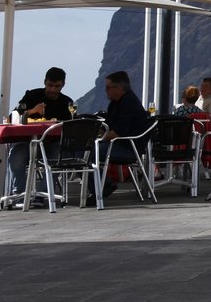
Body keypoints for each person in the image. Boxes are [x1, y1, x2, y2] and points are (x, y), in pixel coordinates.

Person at [8, 67, 74, 200]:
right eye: (50, 85)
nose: (53, 90)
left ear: (63, 85)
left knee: (57, 158)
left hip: (52, 143)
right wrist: (30, 111)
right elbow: (12, 118)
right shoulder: (32, 96)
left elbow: (70, 126)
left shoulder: (66, 102)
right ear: (45, 82)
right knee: (15, 158)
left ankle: (41, 194)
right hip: (29, 142)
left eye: (57, 86)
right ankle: (20, 194)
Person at [88, 70, 150, 206]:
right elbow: (108, 127)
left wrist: (96, 140)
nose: (106, 91)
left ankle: (103, 187)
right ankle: (102, 186)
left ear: (118, 88)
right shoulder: (115, 103)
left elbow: (117, 132)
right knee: (85, 151)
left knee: (86, 153)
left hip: (128, 147)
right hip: (119, 144)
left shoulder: (128, 103)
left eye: (108, 88)